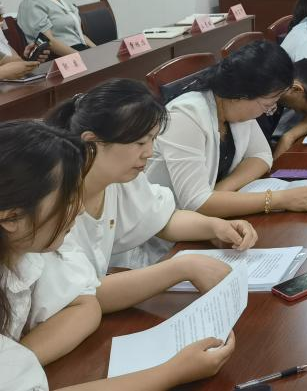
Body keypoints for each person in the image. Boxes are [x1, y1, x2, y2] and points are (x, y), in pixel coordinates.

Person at [0, 120, 235, 390]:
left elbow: (85, 301)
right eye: (67, 199)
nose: (78, 210)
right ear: (11, 218)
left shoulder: (27, 251)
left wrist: (19, 364)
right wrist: (172, 372)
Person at [46, 80, 260, 310]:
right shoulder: (49, 201)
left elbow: (163, 217)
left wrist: (215, 227)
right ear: (92, 142)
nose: (148, 152)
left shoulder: (118, 177)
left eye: (152, 139)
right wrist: (182, 268)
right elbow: (82, 296)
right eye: (140, 142)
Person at [146, 40, 307, 219]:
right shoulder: (185, 116)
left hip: (212, 218)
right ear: (240, 94)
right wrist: (278, 199)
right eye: (267, 104)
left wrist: (220, 192)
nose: (267, 111)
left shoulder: (234, 108)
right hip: (168, 229)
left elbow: (261, 155)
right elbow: (196, 202)